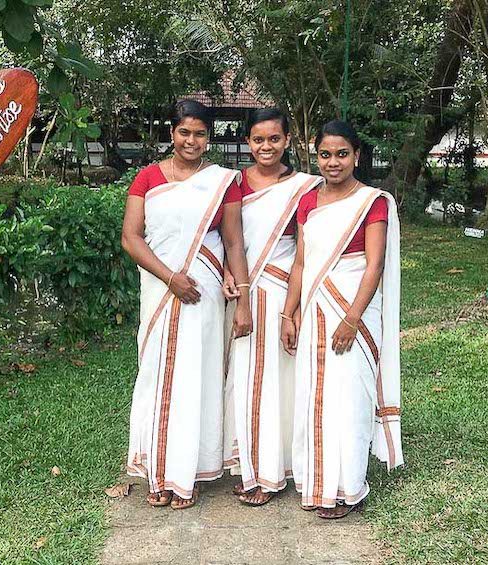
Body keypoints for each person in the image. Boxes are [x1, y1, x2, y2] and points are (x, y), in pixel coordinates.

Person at [121, 100, 253, 510]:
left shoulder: (222, 182)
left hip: (205, 291)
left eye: (199, 134)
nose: (190, 140)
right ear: (172, 133)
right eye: (184, 132)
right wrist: (170, 278)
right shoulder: (147, 178)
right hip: (162, 289)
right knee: (157, 375)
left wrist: (242, 293)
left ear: (207, 138)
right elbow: (131, 238)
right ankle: (158, 470)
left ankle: (189, 473)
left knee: (197, 376)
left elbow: (233, 241)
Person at [282, 120, 403, 519]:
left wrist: (352, 318)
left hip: (354, 312)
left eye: (342, 154)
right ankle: (316, 483)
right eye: (325, 155)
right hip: (314, 310)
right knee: (314, 396)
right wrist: (289, 312)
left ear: (357, 156)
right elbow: (300, 262)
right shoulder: (308, 202)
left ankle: (349, 487)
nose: (333, 162)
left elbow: (374, 264)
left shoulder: (373, 202)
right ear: (315, 156)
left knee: (349, 398)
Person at [222, 108, 323, 506]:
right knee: (245, 381)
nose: (266, 147)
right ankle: (251, 465)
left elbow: (308, 247)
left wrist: (293, 308)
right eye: (258, 140)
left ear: (287, 140)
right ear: (248, 142)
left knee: (279, 383)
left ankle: (273, 472)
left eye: (274, 139)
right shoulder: (232, 184)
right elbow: (224, 239)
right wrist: (231, 277)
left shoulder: (304, 187)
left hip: (282, 291)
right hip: (242, 294)